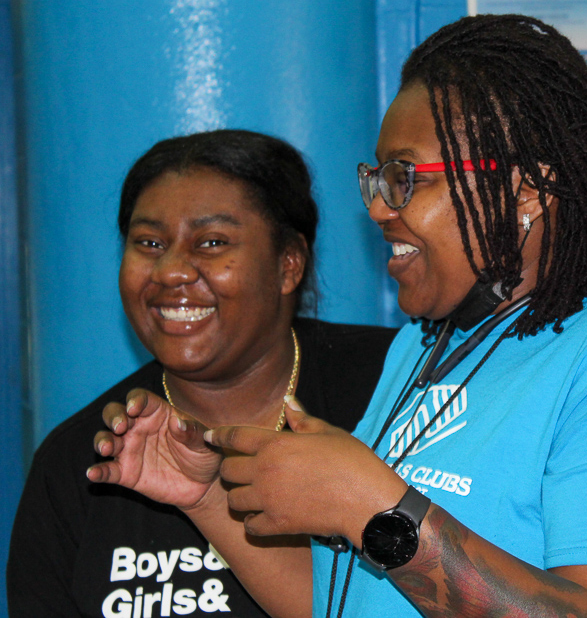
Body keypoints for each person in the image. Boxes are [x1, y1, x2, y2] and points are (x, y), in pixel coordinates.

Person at [86, 14, 587, 618]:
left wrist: (377, 507)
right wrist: (203, 498)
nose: (377, 207)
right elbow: (340, 596)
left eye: (405, 178)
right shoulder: (426, 345)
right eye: (375, 180)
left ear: (524, 193)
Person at [7, 129, 397, 618]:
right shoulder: (84, 463)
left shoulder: (400, 391)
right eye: (148, 242)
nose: (171, 271)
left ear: (288, 264)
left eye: (211, 242)